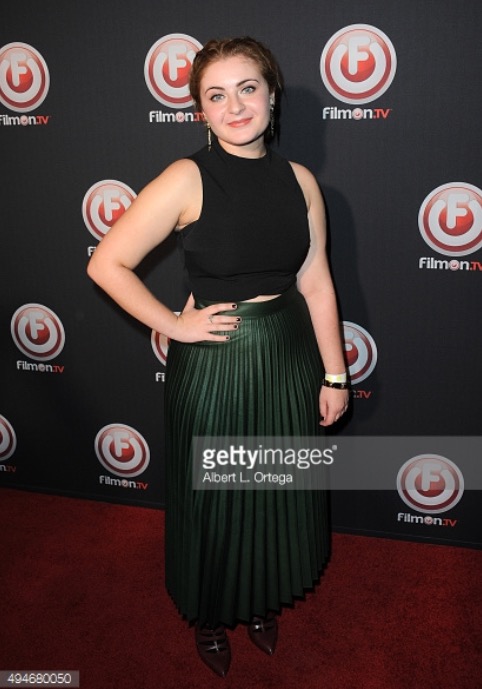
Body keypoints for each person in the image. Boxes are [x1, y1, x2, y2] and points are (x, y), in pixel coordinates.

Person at [87, 36, 349, 678]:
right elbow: (106, 264)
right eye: (216, 95)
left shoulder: (301, 181)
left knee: (272, 485)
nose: (235, 106)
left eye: (247, 89)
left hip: (288, 352)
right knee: (216, 494)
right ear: (200, 110)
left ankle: (260, 597)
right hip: (218, 361)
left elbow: (316, 282)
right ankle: (211, 612)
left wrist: (335, 372)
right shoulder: (186, 178)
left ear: (272, 94)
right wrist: (174, 325)